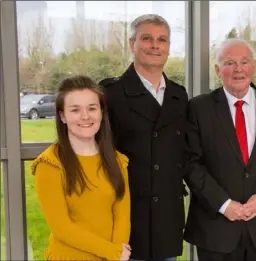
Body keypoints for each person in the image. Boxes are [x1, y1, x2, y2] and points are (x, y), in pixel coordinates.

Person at [183, 38, 256, 261]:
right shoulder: (199, 108)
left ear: (253, 67)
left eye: (244, 62)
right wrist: (223, 204)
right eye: (229, 63)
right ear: (218, 70)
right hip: (216, 229)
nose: (238, 69)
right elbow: (190, 163)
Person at [99, 14, 188, 261]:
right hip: (127, 215)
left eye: (162, 40)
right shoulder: (110, 94)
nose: (155, 45)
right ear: (132, 44)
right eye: (147, 38)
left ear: (169, 48)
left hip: (167, 219)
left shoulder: (179, 96)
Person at [32, 75, 131, 261]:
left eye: (92, 108)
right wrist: (112, 252)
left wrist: (117, 254)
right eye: (75, 110)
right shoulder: (49, 164)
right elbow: (62, 228)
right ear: (62, 116)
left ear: (101, 112)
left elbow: (122, 216)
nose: (85, 116)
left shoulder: (117, 160)